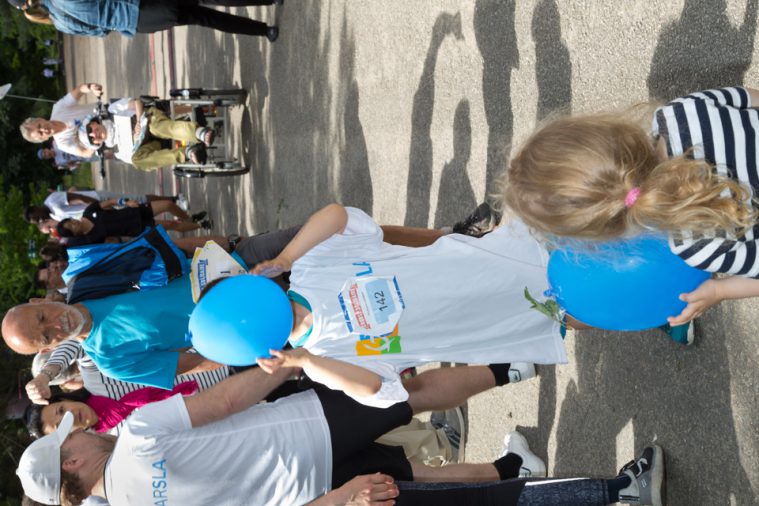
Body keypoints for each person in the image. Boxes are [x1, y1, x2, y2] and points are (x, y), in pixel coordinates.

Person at [15, 362, 663, 506]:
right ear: (70, 458)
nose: (77, 427)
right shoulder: (136, 435)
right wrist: (288, 360)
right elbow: (226, 400)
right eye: (68, 435)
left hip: (321, 491)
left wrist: (334, 501)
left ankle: (612, 493)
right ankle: (518, 359)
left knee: (441, 491)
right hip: (310, 429)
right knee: (409, 391)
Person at [205, 203, 564, 407]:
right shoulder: (322, 358)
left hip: (495, 263)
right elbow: (376, 388)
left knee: (572, 257)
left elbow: (336, 216)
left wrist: (285, 258)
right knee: (571, 308)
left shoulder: (310, 268)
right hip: (502, 316)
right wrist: (307, 361)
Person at [502, 86, 759, 329]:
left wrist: (720, 291)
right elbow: (749, 97)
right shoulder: (680, 113)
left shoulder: (696, 244)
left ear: (605, 230)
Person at [8, 0, 282, 41]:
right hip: (140, 4)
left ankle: (264, 30)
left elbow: (101, 32)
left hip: (138, 23)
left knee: (204, 17)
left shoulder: (58, 23)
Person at [76, 98, 217, 169]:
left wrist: (138, 121)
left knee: (156, 128)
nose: (93, 134)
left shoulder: (113, 110)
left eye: (90, 129)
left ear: (94, 123)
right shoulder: (117, 152)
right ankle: (187, 153)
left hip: (151, 120)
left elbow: (137, 102)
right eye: (91, 138)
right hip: (153, 145)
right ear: (96, 144)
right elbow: (142, 160)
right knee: (137, 161)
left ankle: (199, 132)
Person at [25, 381, 198, 435]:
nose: (70, 415)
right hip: (213, 409)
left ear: (62, 398)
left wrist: (45, 374)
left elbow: (78, 338)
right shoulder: (115, 441)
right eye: (61, 425)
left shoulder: (96, 379)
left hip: (208, 365)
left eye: (61, 410)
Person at [55, 199, 204, 247]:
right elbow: (111, 243)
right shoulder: (91, 238)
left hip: (134, 211)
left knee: (167, 204)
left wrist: (125, 202)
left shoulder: (88, 212)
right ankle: (201, 225)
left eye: (71, 221)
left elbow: (110, 202)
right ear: (74, 234)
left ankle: (190, 218)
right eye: (71, 227)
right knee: (172, 226)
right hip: (136, 228)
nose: (74, 223)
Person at [19, 82, 104, 157]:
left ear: (40, 119)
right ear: (44, 139)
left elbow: (79, 90)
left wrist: (91, 87)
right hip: (108, 133)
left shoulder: (58, 108)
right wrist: (94, 143)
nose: (43, 129)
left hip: (108, 110)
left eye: (39, 125)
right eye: (40, 133)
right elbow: (85, 153)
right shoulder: (62, 144)